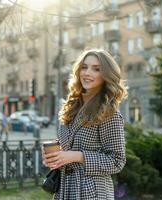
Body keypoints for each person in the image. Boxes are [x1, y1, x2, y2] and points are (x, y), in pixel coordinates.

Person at [42, 49, 127, 199]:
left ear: (106, 75)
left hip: (92, 192)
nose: (87, 72)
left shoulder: (109, 113)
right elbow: (71, 143)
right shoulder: (71, 106)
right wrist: (56, 155)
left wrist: (78, 156)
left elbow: (117, 161)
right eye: (84, 67)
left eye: (96, 69)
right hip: (65, 190)